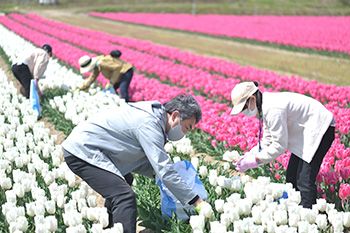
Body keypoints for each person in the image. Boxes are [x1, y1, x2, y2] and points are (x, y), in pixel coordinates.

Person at [62, 93, 205, 232]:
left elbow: (139, 158)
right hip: (83, 149)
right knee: (124, 196)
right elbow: (164, 169)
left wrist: (157, 174)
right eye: (187, 127)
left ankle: (111, 228)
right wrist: (196, 201)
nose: (185, 133)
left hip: (93, 147)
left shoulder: (156, 118)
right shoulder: (150, 124)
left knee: (125, 179)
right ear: (175, 116)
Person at [230, 81, 335, 209]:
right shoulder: (265, 106)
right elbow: (268, 139)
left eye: (244, 108)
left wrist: (256, 160)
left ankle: (309, 217)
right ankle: (296, 211)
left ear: (252, 99)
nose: (244, 112)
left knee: (304, 180)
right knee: (291, 177)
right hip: (306, 133)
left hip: (320, 129)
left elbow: (279, 145)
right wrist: (250, 155)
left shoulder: (273, 109)